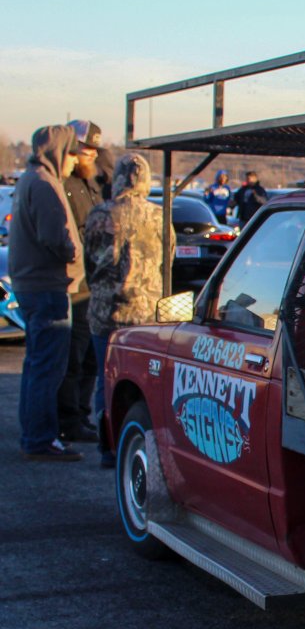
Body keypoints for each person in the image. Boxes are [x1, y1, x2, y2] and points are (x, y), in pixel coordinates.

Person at [86, 153, 171, 467]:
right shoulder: (159, 216)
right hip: (146, 315)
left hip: (106, 313)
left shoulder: (100, 214)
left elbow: (89, 262)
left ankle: (107, 448)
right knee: (142, 383)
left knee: (105, 380)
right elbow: (169, 261)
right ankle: (137, 442)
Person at [10, 126, 83, 461]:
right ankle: (41, 438)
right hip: (48, 288)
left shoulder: (30, 179)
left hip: (35, 286)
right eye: (72, 153)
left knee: (36, 365)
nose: (75, 161)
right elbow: (54, 236)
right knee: (47, 368)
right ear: (59, 152)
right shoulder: (43, 184)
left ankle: (34, 435)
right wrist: (75, 252)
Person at [58, 119, 109, 444]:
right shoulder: (62, 184)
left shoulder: (93, 183)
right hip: (75, 284)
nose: (90, 155)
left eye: (93, 150)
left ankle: (81, 413)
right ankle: (67, 419)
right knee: (72, 356)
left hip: (94, 283)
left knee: (90, 356)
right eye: (84, 149)